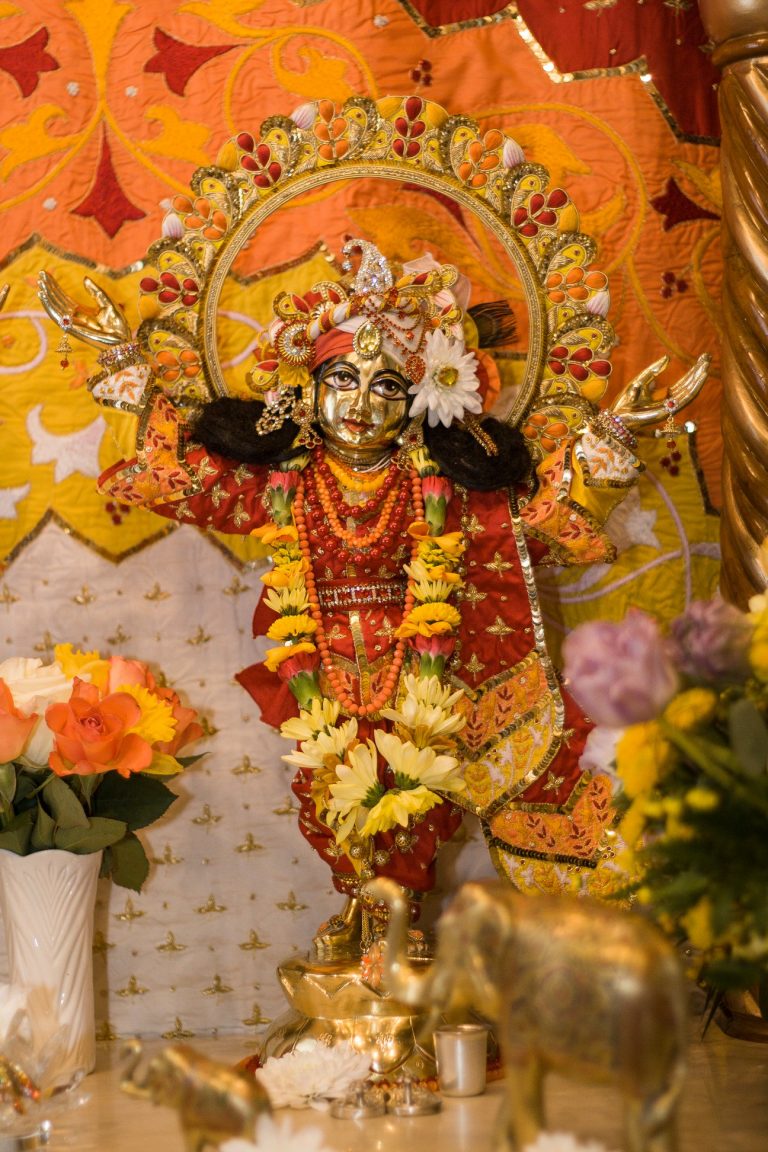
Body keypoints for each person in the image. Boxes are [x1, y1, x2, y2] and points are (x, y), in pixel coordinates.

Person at [38, 239, 707, 960]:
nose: (360, 404)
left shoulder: (438, 487)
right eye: (341, 379)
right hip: (317, 673)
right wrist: (125, 369)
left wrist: (611, 444)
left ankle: (400, 925)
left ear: (422, 404)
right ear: (304, 388)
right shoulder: (286, 482)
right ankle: (360, 917)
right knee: (329, 800)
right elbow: (188, 480)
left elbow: (538, 525)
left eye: (387, 386)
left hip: (429, 673)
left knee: (418, 804)